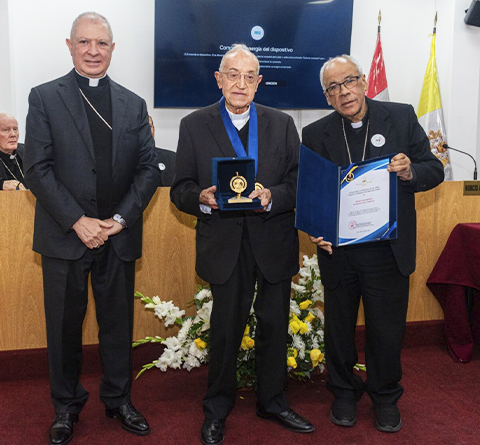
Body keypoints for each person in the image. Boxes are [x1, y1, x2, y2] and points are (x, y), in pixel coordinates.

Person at [23, 12, 159, 445]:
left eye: (101, 43)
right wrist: (77, 220)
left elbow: (148, 169)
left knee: (118, 326)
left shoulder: (133, 104)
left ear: (112, 48)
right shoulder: (44, 97)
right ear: (70, 46)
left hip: (117, 237)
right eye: (84, 42)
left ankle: (119, 399)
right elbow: (36, 168)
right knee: (64, 328)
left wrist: (119, 220)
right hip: (66, 236)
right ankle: (65, 407)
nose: (93, 51)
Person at [171, 44, 314, 445]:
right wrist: (202, 198)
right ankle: (217, 408)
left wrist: (273, 196)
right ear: (219, 79)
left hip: (273, 241)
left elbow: (298, 182)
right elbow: (180, 189)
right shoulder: (194, 125)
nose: (240, 83)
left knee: (275, 327)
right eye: (233, 75)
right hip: (224, 245)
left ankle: (273, 402)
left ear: (259, 82)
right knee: (225, 331)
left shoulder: (282, 124)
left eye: (249, 76)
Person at [301, 55, 444, 433]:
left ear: (364, 81)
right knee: (339, 329)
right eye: (333, 88)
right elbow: (311, 192)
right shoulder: (315, 134)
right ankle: (343, 391)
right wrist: (315, 228)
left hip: (387, 250)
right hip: (339, 252)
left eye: (349, 81)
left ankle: (384, 396)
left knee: (386, 329)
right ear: (327, 97)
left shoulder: (401, 116)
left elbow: (434, 169)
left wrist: (410, 171)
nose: (344, 92)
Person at [148, 115, 175, 187]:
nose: (146, 131)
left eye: (149, 126)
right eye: (142, 127)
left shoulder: (171, 158)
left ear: (153, 130)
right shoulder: (125, 161)